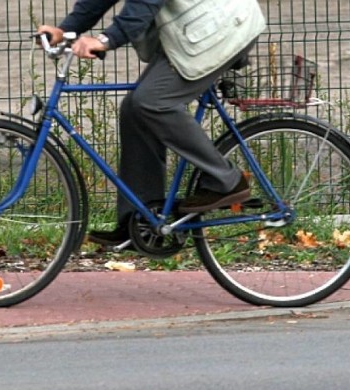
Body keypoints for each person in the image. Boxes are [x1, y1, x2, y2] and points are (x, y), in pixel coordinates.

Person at [38, 0, 265, 246]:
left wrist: (105, 40)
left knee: (151, 102)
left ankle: (227, 180)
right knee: (135, 109)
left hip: (221, 27)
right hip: (198, 29)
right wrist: (67, 28)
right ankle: (141, 223)